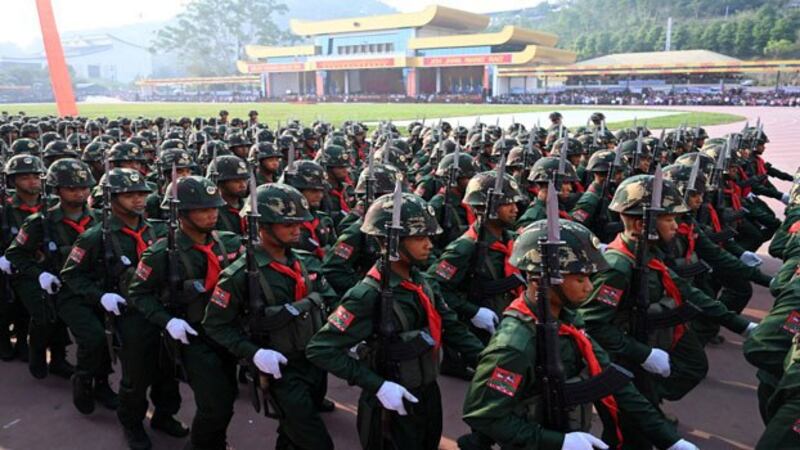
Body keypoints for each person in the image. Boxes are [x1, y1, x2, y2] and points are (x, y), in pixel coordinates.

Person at [462, 216, 696, 450]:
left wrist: (671, 441)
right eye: (579, 279)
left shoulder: (568, 320)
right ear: (539, 281)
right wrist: (558, 442)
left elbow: (614, 382)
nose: (589, 287)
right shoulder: (515, 344)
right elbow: (483, 415)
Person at [307, 190, 484, 449]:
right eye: (419, 237)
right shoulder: (367, 294)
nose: (429, 245)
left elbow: (452, 327)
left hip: (427, 392)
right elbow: (320, 349)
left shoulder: (421, 282)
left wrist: (486, 362)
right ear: (392, 242)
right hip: (387, 404)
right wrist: (377, 386)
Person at [203, 183, 337, 450]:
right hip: (279, 368)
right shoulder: (239, 275)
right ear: (262, 226)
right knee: (316, 441)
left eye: (299, 222)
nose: (296, 228)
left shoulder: (305, 261)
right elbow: (215, 325)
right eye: (286, 223)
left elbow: (329, 298)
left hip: (313, 360)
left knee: (291, 434)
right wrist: (253, 354)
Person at [128, 175, 242, 450]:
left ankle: (214, 441)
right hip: (192, 336)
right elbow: (138, 293)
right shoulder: (162, 253)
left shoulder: (227, 243)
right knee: (214, 404)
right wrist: (167, 322)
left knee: (227, 397)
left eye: (214, 207)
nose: (212, 214)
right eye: (203, 209)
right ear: (181, 213)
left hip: (225, 331)